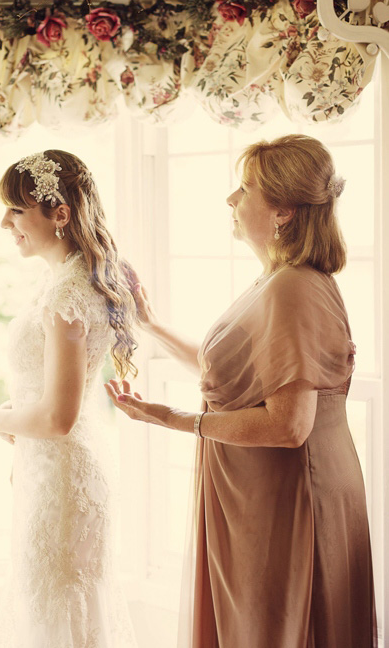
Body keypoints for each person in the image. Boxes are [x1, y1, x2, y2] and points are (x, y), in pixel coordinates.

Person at [105, 134, 377, 648]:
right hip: (257, 495)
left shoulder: (293, 287)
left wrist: (172, 418)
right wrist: (152, 324)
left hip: (286, 500)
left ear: (282, 211)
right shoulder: (276, 279)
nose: (232, 200)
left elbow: (288, 425)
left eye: (245, 189)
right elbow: (229, 376)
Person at [0, 150, 138, 648]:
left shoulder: (67, 295)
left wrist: (0, 419)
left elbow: (58, 417)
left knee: (56, 608)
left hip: (64, 477)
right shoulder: (65, 282)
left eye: (16, 209)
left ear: (60, 213)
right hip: (52, 473)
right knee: (52, 605)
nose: (5, 222)